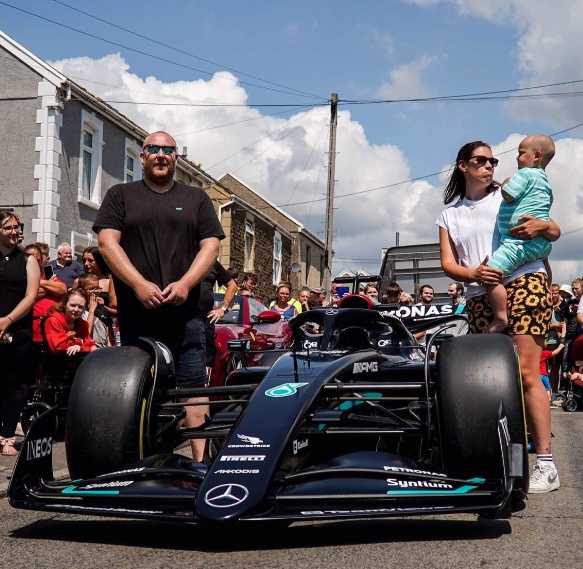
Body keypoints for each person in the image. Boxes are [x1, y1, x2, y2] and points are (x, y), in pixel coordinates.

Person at [438, 140, 561, 493]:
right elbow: (448, 264)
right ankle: (497, 458)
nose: (490, 165)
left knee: (525, 373)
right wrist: (474, 274)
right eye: (481, 160)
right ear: (463, 165)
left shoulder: (508, 191)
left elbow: (552, 228)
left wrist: (543, 228)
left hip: (525, 281)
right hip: (480, 296)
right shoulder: (450, 213)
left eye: (493, 159)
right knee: (489, 380)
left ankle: (546, 464)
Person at [93, 131, 224, 462]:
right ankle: (135, 463)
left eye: (168, 150)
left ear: (176, 157)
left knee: (194, 390)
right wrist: (138, 284)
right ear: (142, 156)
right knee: (135, 390)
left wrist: (185, 283)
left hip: (187, 315)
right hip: (138, 314)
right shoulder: (120, 195)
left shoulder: (196, 198)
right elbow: (108, 243)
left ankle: (200, 465)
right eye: (154, 149)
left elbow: (211, 245)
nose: (161, 155)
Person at [485, 135, 556, 333]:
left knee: (489, 275)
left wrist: (506, 183)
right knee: (543, 267)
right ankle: (548, 300)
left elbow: (509, 194)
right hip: (539, 243)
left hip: (516, 242)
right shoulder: (545, 182)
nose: (517, 157)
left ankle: (500, 317)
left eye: (521, 153)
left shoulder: (525, 174)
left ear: (536, 156)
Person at [0, 211, 40, 456]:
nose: (14, 231)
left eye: (17, 227)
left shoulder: (28, 260)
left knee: (15, 385)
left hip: (18, 331)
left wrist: (7, 320)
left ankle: (7, 436)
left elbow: (31, 295)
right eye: (8, 228)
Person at [23, 243, 67, 345]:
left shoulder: (48, 274)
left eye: (38, 256)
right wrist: (50, 287)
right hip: (33, 329)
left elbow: (62, 289)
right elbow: (28, 295)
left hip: (52, 329)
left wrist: (39, 282)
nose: (34, 259)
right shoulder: (22, 274)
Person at [201, 261, 237, 370]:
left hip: (205, 319)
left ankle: (205, 383)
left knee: (206, 357)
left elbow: (232, 285)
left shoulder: (211, 261)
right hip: (180, 317)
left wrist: (222, 308)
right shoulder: (178, 255)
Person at [44, 288, 97, 355]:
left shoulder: (83, 324)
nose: (76, 309)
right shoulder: (53, 321)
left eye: (80, 307)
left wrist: (79, 347)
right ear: (65, 304)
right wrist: (79, 343)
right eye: (73, 305)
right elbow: (58, 347)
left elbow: (91, 344)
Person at [77, 273, 109, 348]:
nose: (96, 291)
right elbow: (85, 333)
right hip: (91, 350)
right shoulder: (79, 309)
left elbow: (107, 330)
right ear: (82, 290)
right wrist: (91, 310)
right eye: (91, 289)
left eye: (97, 288)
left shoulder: (100, 306)